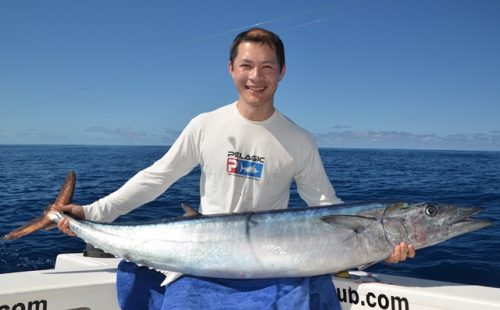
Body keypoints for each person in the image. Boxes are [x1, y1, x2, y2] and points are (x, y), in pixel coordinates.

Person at [57, 28, 415, 309]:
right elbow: (158, 177)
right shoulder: (205, 125)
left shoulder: (298, 139)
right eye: (246, 65)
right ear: (231, 69)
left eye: (267, 67)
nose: (255, 77)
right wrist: (91, 212)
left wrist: (382, 245)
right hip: (200, 253)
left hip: (275, 262)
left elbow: (327, 206)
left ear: (282, 72)